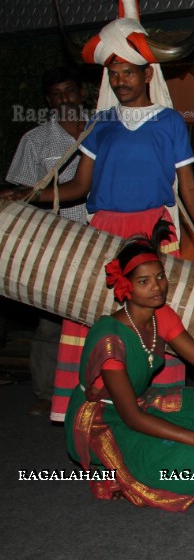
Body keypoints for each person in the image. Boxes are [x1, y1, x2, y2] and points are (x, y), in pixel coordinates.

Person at [14, 54, 194, 422]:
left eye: (128, 72)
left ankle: (159, 405)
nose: (121, 80)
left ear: (147, 74)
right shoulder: (100, 123)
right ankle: (96, 411)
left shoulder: (170, 121)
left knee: (158, 314)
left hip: (154, 233)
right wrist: (29, 194)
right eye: (114, 74)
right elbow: (79, 185)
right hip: (105, 234)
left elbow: (188, 185)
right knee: (93, 314)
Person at [65, 222, 194, 510]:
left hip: (139, 404)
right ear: (126, 286)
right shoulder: (110, 341)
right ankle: (112, 470)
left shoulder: (160, 315)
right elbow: (132, 418)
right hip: (105, 421)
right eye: (144, 281)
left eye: (160, 277)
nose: (157, 287)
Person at [5, 66, 89, 415]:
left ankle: (97, 388)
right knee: (51, 320)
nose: (63, 100)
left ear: (81, 93)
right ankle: (46, 391)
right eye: (55, 95)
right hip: (54, 241)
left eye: (69, 91)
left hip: (104, 233)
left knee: (100, 316)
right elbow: (17, 194)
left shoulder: (105, 129)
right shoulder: (35, 140)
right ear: (47, 101)